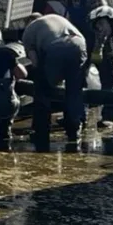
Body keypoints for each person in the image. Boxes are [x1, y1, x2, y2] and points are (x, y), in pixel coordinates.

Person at [20, 10, 88, 147]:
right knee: (74, 90)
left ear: (28, 22)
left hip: (56, 48)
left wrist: (45, 76)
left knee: (42, 90)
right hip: (79, 44)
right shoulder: (56, 18)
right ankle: (74, 130)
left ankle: (41, 131)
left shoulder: (29, 31)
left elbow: (35, 62)